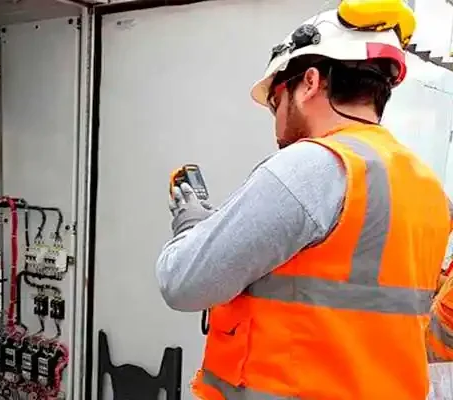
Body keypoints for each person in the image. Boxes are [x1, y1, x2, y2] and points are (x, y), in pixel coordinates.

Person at [155, 4, 453, 400]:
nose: (276, 118)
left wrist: (191, 227)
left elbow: (183, 284)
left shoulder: (312, 165)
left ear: (309, 83)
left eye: (276, 100)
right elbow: (340, 289)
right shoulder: (426, 186)